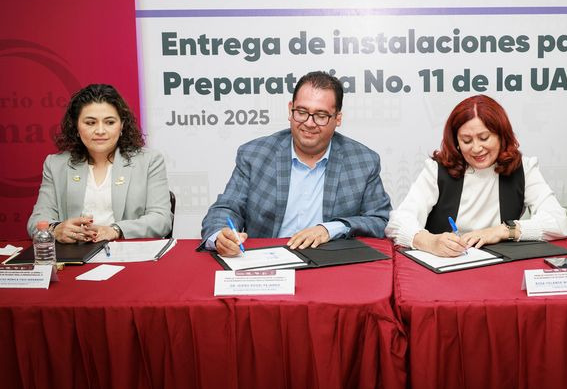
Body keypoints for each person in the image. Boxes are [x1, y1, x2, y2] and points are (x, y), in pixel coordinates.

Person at [202, 71, 392, 256]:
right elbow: (226, 208)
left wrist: (330, 229)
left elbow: (380, 220)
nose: (309, 123)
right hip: (267, 262)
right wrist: (220, 235)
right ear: (290, 109)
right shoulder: (254, 155)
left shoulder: (363, 161)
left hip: (331, 263)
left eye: (321, 115)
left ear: (338, 119)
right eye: (302, 112)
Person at [385, 95, 567, 257]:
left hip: (501, 269)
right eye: (466, 140)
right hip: (446, 270)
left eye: (484, 138)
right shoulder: (436, 170)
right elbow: (397, 222)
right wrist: (430, 242)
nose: (476, 148)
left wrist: (503, 231)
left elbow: (558, 222)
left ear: (501, 136)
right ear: (456, 142)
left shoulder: (524, 169)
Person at [27, 84, 173, 242]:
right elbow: (36, 221)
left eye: (110, 122)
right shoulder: (55, 164)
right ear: (76, 126)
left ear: (122, 125)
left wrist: (115, 230)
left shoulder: (149, 161)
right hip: (74, 257)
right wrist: (55, 229)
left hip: (127, 254)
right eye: (90, 123)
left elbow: (161, 220)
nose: (100, 131)